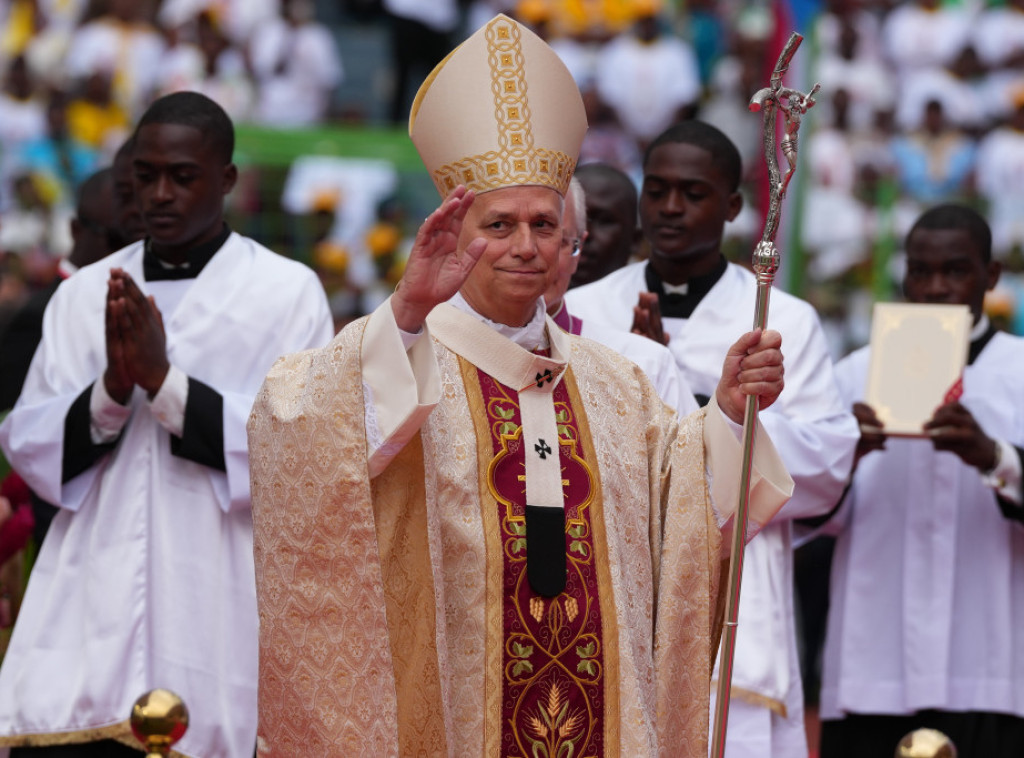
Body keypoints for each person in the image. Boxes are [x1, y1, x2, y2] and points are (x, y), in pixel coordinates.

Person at [247, 15, 793, 756]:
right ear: (453, 230)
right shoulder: (407, 356)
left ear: (571, 242)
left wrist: (727, 416)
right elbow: (299, 432)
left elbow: (686, 519)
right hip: (449, 720)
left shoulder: (616, 384)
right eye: (498, 224)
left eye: (544, 224)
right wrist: (405, 311)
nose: (525, 247)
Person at [0, 91, 334, 757]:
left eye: (183, 177)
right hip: (86, 598)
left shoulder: (285, 292)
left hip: (217, 594)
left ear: (227, 181)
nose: (160, 194)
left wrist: (166, 383)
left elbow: (302, 448)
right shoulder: (81, 296)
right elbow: (32, 448)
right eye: (145, 177)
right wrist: (114, 389)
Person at [565, 119, 859, 757]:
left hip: (739, 599)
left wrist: (700, 401)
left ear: (731, 206)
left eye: (694, 193)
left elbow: (828, 465)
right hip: (622, 579)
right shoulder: (588, 308)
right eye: (658, 190)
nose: (671, 208)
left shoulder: (782, 320)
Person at [818, 204, 1024, 758]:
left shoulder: (1019, 371)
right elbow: (808, 514)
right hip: (872, 655)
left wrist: (996, 456)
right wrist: (846, 455)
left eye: (955, 271)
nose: (935, 288)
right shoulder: (855, 374)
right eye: (920, 271)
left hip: (991, 662)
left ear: (992, 276)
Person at [547, 175, 696, 414]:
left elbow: (692, 449)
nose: (526, 249)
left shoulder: (645, 362)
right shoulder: (463, 351)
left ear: (577, 246)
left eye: (555, 237)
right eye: (501, 227)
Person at [569, 161, 639, 289]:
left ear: (635, 239)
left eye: (604, 221)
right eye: (574, 216)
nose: (584, 232)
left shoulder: (648, 302)